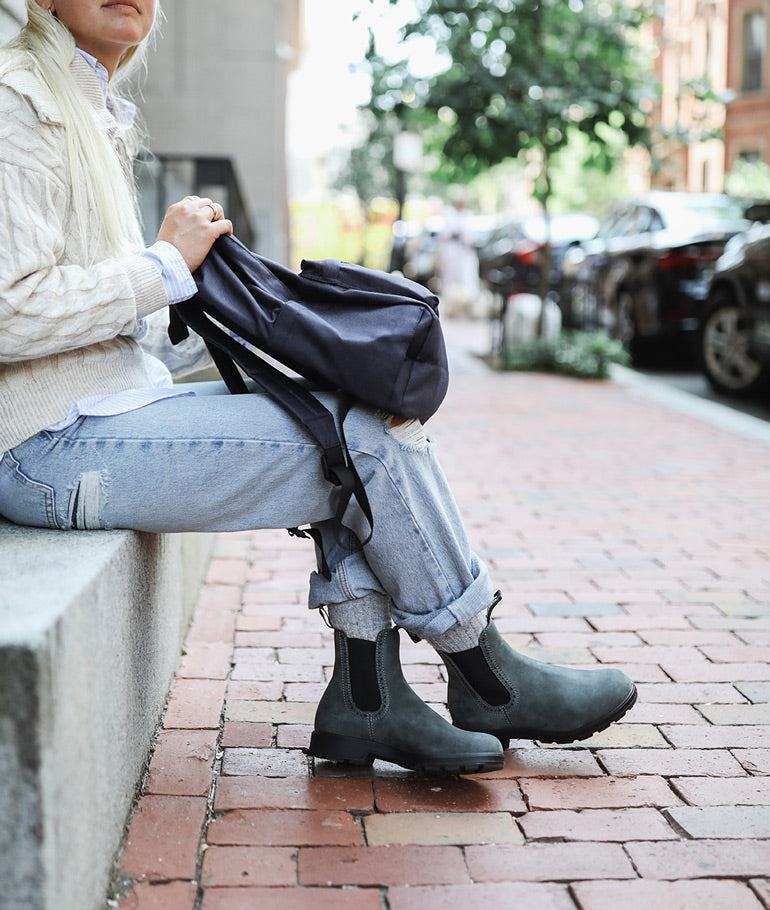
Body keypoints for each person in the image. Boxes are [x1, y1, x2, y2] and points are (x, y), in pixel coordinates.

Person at [0, 0, 636, 776]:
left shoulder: (86, 103)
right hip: (43, 446)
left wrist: (202, 293)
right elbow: (10, 311)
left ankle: (369, 702)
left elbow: (101, 317)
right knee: (359, 440)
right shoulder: (17, 99)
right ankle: (483, 675)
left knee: (345, 412)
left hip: (105, 405)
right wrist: (162, 266)